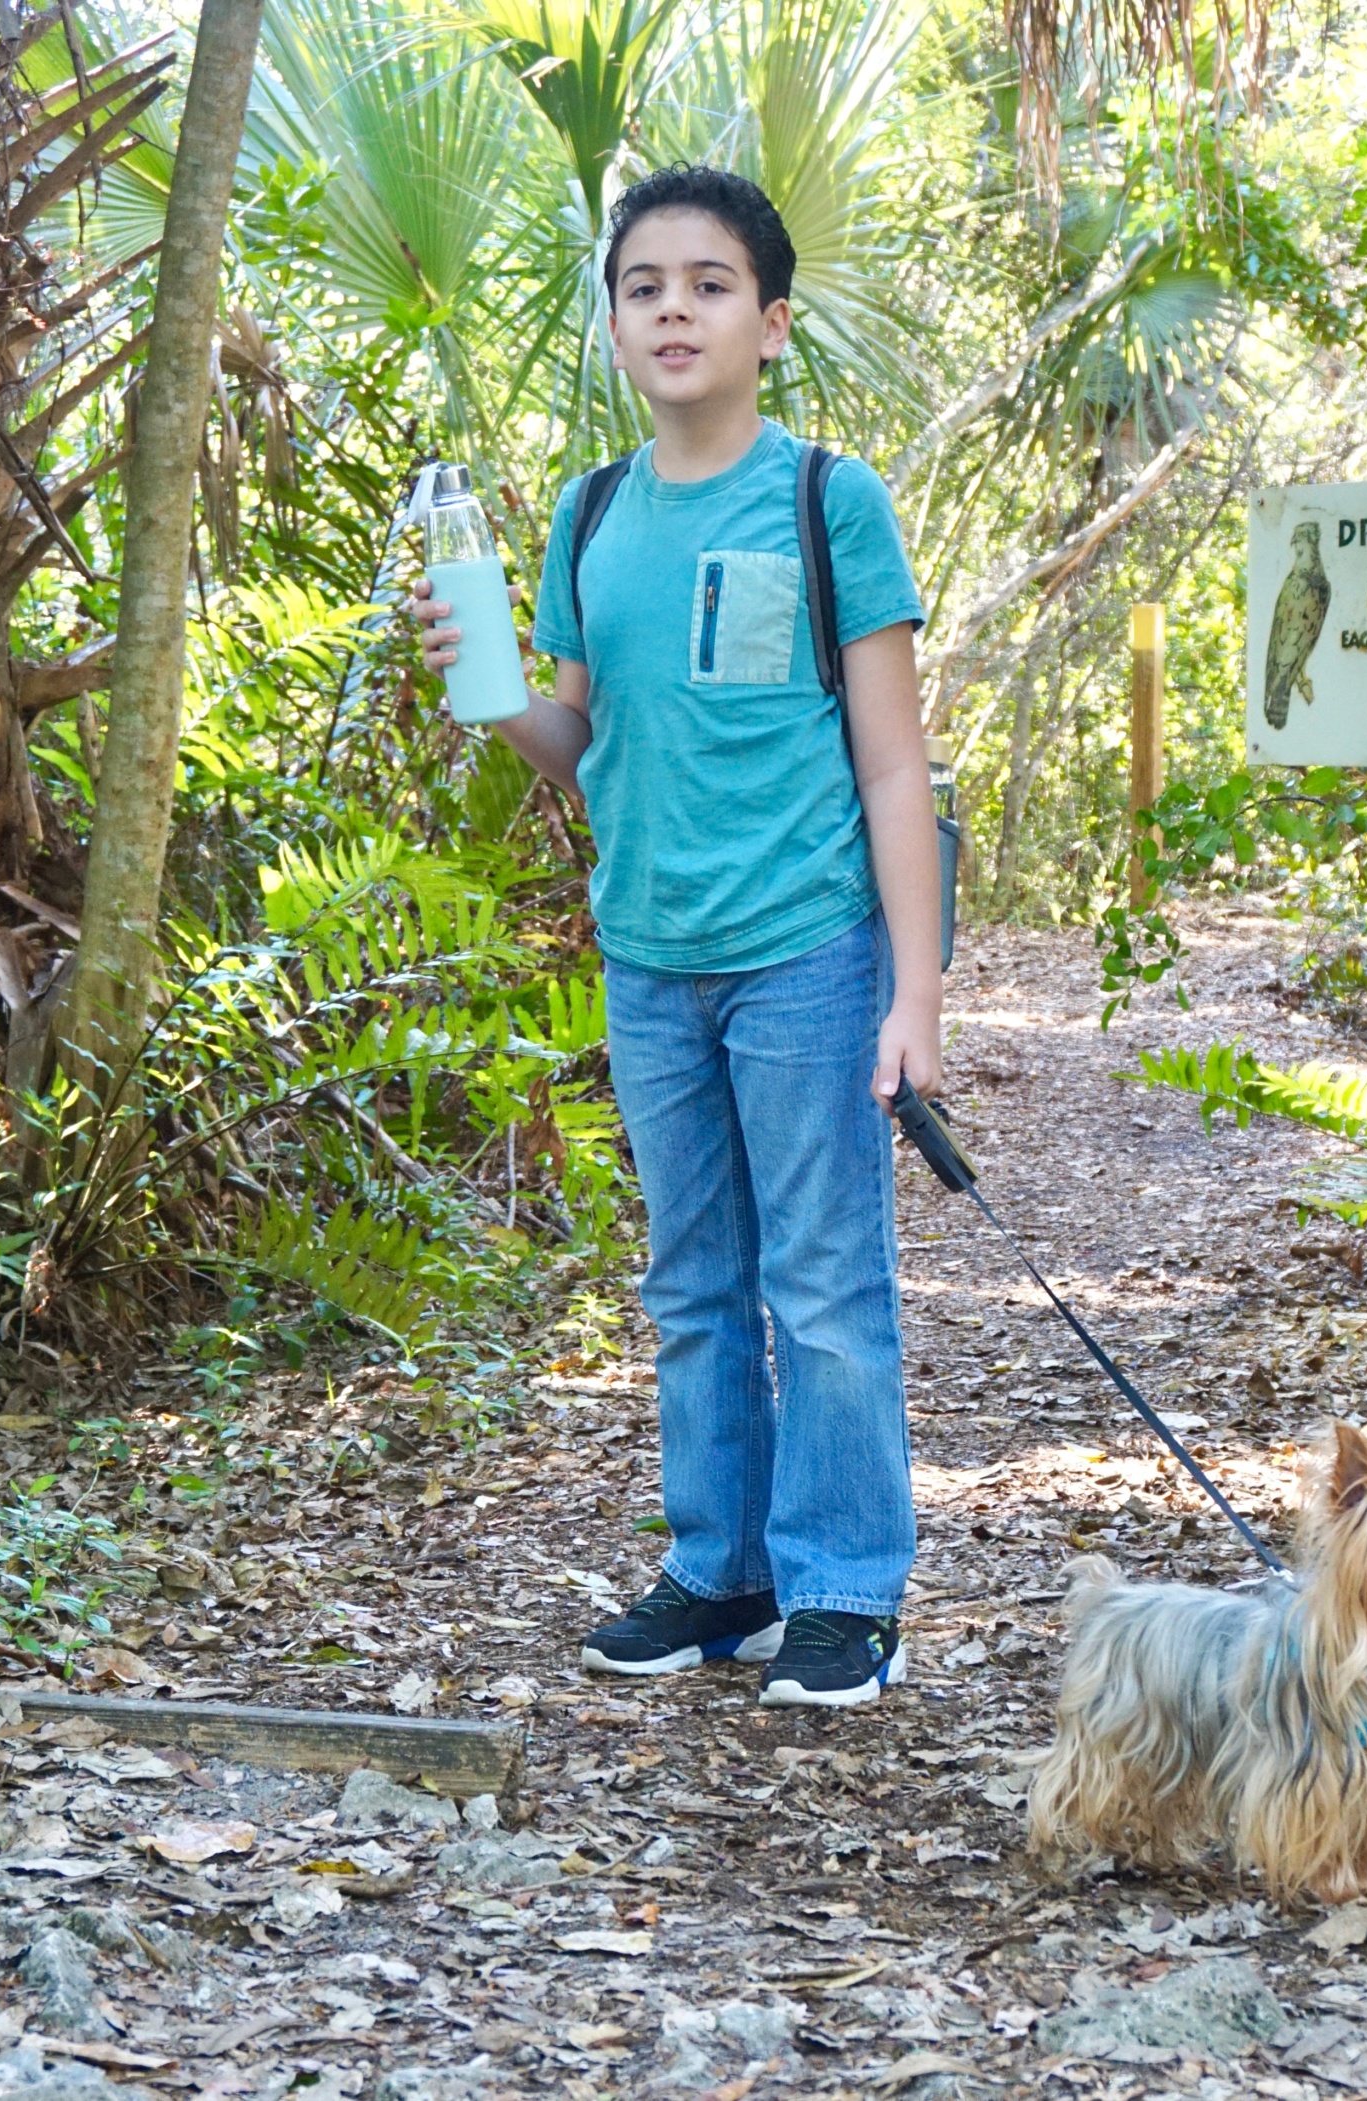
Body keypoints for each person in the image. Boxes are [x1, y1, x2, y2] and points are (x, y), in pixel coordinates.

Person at [411, 164, 939, 1709]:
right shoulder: (590, 513)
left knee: (824, 1280)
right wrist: (500, 688)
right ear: (617, 320)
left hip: (805, 949)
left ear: (771, 321)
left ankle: (847, 1590)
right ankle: (725, 1573)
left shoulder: (827, 500)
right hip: (647, 956)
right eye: (644, 286)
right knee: (693, 1277)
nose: (673, 310)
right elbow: (587, 743)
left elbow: (896, 760)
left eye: (709, 284)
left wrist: (917, 993)